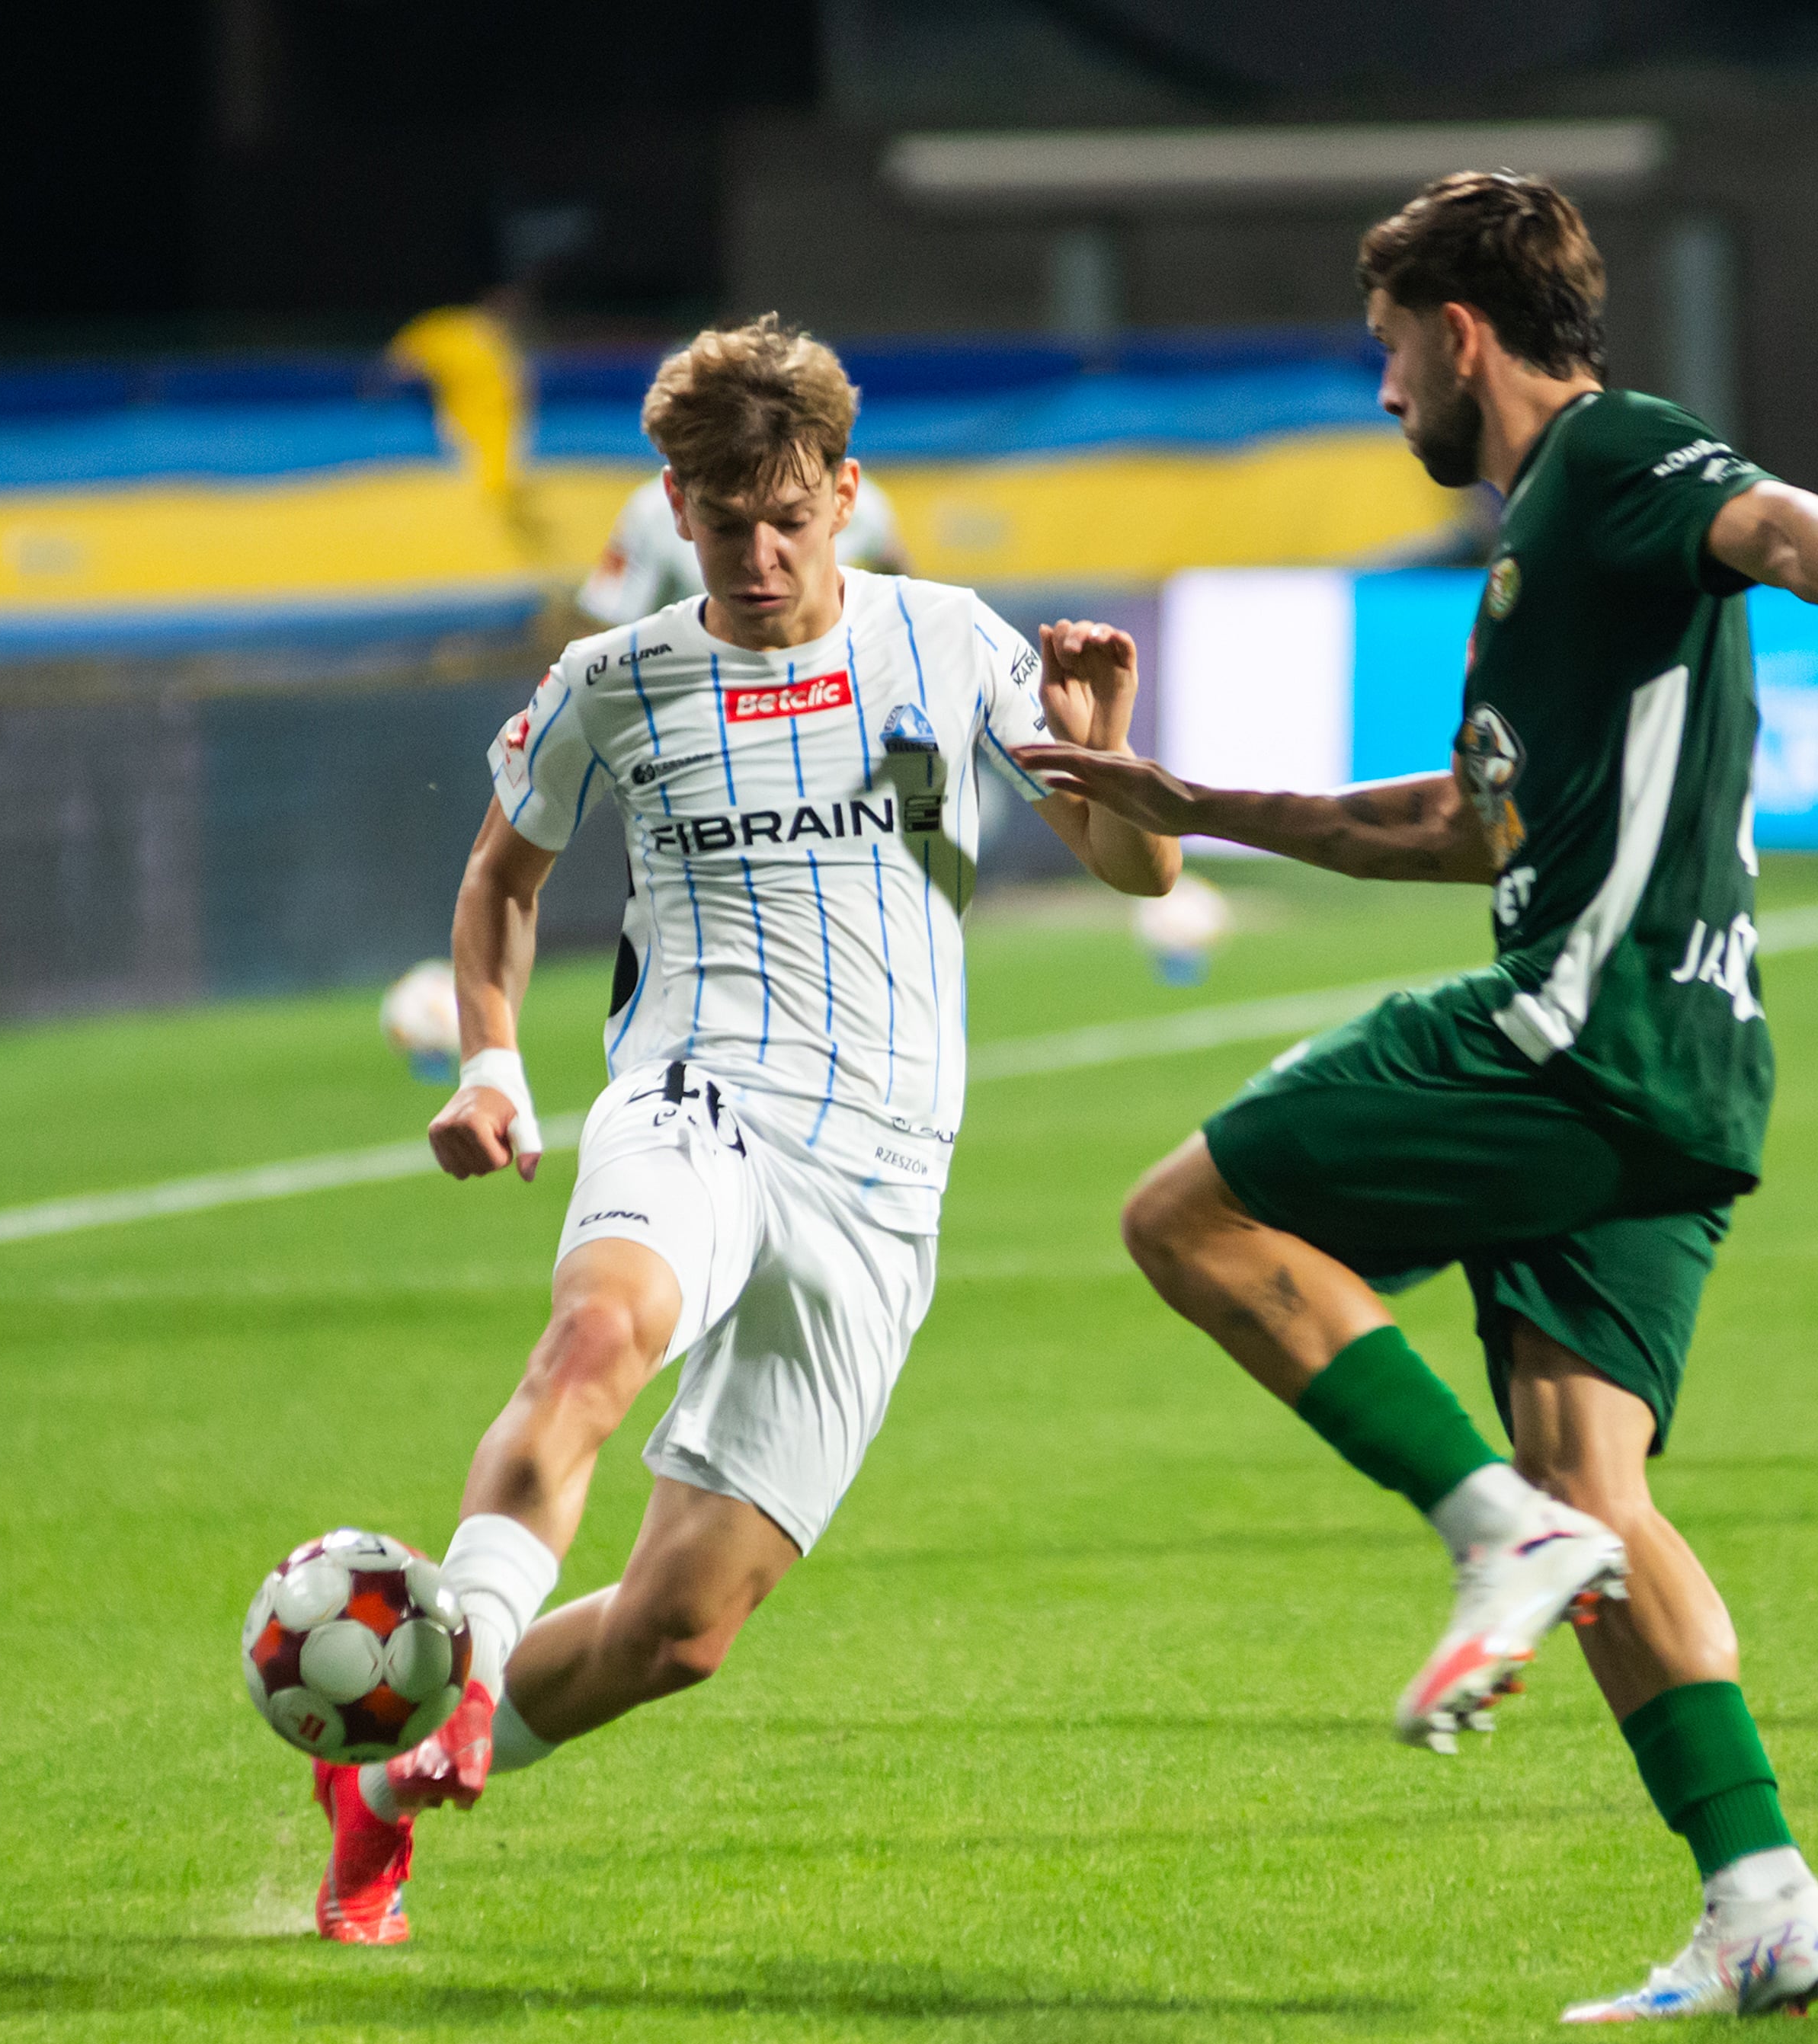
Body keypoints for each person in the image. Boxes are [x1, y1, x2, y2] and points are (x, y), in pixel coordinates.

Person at [1014, 171, 1818, 2022]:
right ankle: (1761, 1906)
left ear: (1458, 333)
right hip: (1685, 1075)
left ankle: (1483, 1526)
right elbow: (1451, 825)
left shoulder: (1608, 456)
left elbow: (1767, 521)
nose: (1379, 394)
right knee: (1600, 1485)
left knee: (1185, 1216)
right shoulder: (1538, 564)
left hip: (1580, 1031)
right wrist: (1192, 804)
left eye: (1385, 353)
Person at [306, 315, 1176, 1944]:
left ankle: (383, 1787)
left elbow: (1142, 873)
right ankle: (466, 1663)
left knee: (679, 1628)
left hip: (882, 1180)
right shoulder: (613, 680)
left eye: (787, 518)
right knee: (594, 1336)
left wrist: (1113, 761)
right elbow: (502, 877)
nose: (761, 557)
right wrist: (493, 1067)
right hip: (693, 1103)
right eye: (725, 525)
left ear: (844, 492)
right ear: (675, 509)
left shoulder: (948, 643)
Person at [579, 465, 908, 627]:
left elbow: (898, 584)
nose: (761, 561)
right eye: (726, 527)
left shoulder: (860, 503)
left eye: (793, 522)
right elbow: (605, 621)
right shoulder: (652, 511)